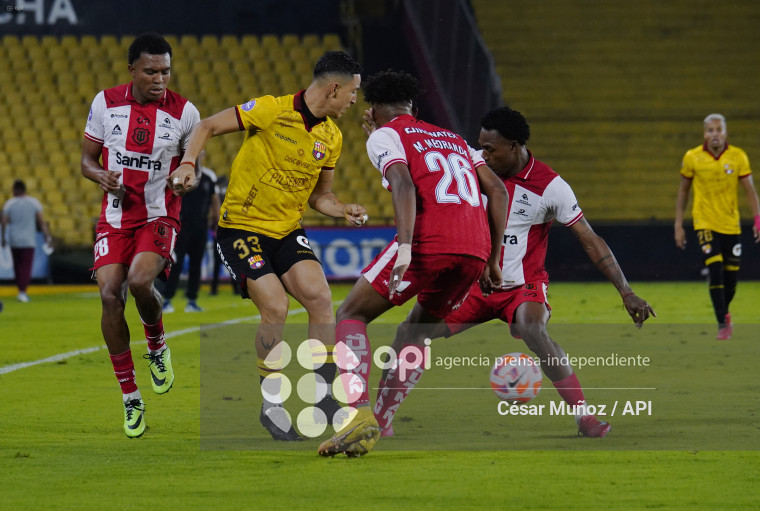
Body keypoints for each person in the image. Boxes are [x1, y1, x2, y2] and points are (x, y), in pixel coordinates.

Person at [368, 107, 656, 442]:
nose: (484, 154)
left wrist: (625, 290)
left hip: (523, 286)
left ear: (515, 147)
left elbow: (590, 239)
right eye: (481, 147)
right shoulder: (470, 167)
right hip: (471, 283)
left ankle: (585, 416)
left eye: (491, 149)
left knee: (533, 328)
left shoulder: (551, 186)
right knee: (411, 333)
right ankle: (382, 418)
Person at [169, 51, 367, 441]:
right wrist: (188, 163)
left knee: (320, 298)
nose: (354, 100)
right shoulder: (270, 110)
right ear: (334, 88)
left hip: (287, 230)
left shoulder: (331, 136)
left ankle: (324, 395)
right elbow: (207, 126)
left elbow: (320, 197)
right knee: (276, 306)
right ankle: (272, 403)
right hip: (241, 229)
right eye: (353, 91)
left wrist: (343, 208)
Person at [317, 70, 509, 457]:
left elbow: (404, 184)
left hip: (428, 242)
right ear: (413, 107)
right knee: (416, 332)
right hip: (473, 249)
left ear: (374, 108)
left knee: (351, 313)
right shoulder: (455, 139)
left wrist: (405, 249)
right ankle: (382, 421)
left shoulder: (387, 136)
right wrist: (492, 260)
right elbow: (499, 191)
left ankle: (358, 415)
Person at [81, 33, 201, 438]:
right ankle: (131, 397)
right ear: (132, 70)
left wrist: (186, 179)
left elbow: (193, 169)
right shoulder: (105, 103)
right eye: (151, 71)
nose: (159, 79)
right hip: (114, 219)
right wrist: (101, 175)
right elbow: (86, 161)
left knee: (138, 282)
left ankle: (156, 344)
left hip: (158, 216)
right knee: (108, 295)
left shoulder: (186, 112)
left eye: (165, 71)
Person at [674, 113, 760, 340]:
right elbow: (683, 192)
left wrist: (758, 221)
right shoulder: (692, 157)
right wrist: (678, 224)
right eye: (710, 130)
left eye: (718, 130)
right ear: (704, 134)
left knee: (730, 281)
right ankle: (722, 324)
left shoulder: (738, 157)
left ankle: (725, 313)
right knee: (715, 270)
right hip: (704, 222)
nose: (714, 134)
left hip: (730, 224)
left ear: (725, 133)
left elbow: (750, 190)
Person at [162, 151, 220, 313]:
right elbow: (170, 194)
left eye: (201, 154)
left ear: (203, 156)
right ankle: (167, 300)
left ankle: (192, 300)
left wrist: (216, 219)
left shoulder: (208, 176)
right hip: (181, 225)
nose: (198, 156)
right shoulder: (179, 173)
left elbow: (214, 199)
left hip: (201, 226)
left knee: (196, 264)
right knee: (176, 263)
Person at [1, 180, 52, 303]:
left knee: (17, 267)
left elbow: (4, 222)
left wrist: (3, 238)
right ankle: (22, 292)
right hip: (29, 240)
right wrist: (47, 236)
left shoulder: (10, 204)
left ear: (16, 189)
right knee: (26, 267)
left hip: (14, 239)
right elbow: (41, 222)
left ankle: (20, 289)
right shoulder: (34, 203)